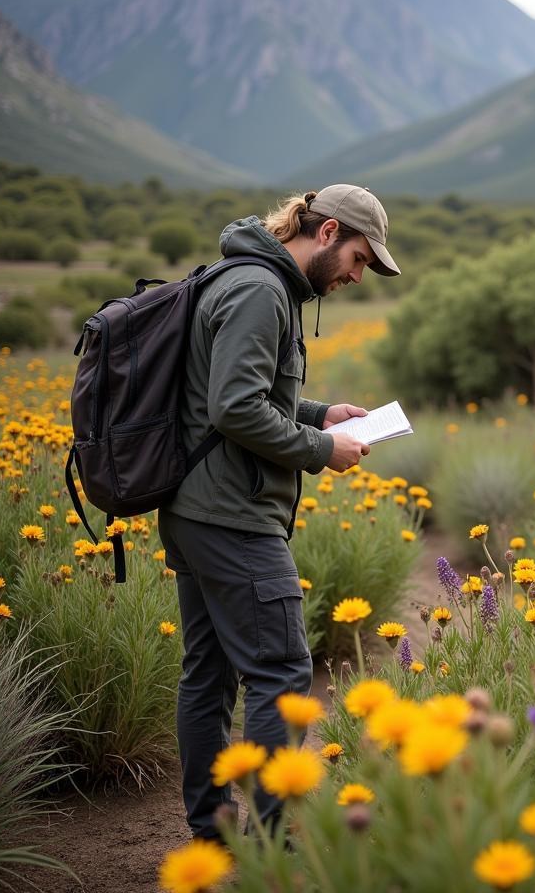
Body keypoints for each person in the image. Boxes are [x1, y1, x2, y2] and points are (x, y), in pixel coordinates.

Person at [158, 184, 401, 843]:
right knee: (281, 670)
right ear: (325, 232)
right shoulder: (261, 292)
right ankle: (271, 836)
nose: (357, 274)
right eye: (357, 257)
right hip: (230, 515)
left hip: (199, 508)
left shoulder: (251, 281)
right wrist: (323, 449)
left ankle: (213, 829)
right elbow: (233, 409)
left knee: (207, 673)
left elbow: (242, 392)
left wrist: (321, 413)